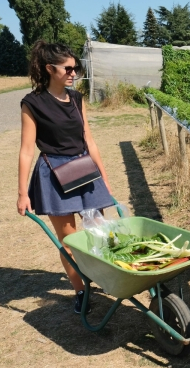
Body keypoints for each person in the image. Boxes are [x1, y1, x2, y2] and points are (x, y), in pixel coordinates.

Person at [16, 41, 113, 314]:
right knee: (70, 240)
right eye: (68, 68)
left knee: (99, 231)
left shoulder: (77, 98)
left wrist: (103, 177)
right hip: (54, 175)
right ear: (50, 69)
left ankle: (108, 277)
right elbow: (26, 151)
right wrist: (23, 193)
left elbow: (89, 140)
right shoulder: (32, 103)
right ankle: (81, 290)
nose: (73, 73)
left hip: (84, 168)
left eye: (76, 68)